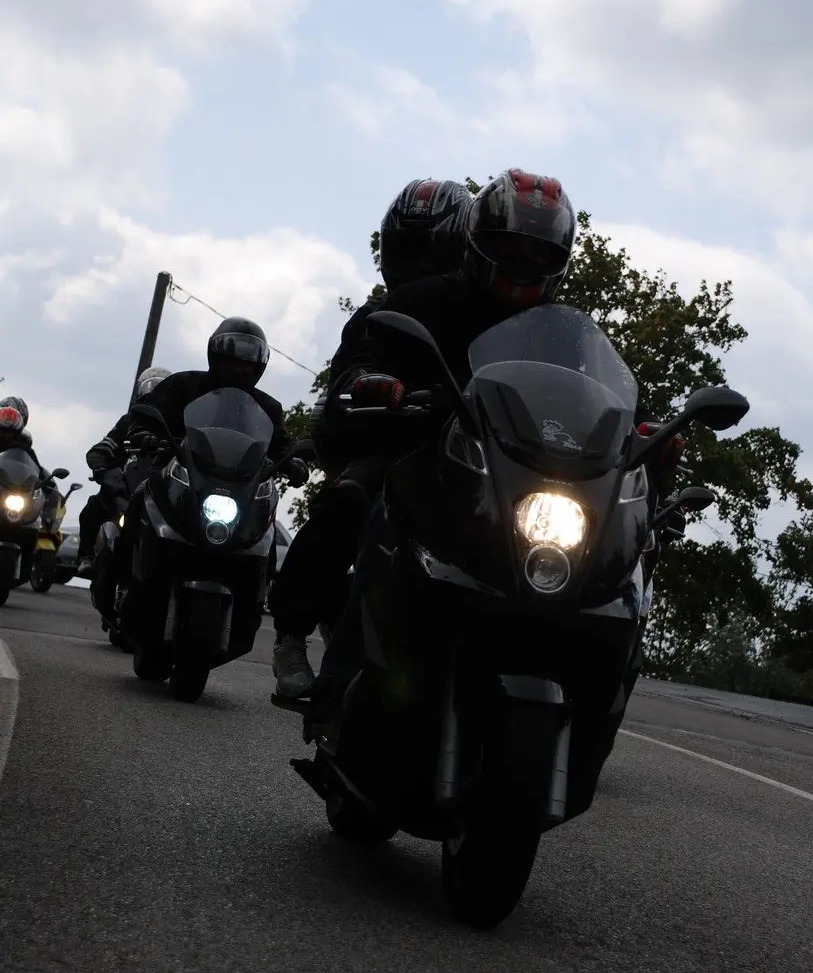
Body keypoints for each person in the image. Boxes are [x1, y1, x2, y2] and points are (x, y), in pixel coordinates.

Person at [305, 168, 685, 738]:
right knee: (384, 519)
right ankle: (335, 691)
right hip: (434, 462)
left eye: (539, 255)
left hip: (521, 476)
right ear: (478, 243)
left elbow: (610, 396)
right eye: (510, 249)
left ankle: (590, 711)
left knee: (612, 563)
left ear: (559, 261)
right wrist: (372, 382)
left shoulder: (569, 335)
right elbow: (368, 356)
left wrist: (648, 432)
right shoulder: (422, 300)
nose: (522, 265)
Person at [270, 178, 474, 698]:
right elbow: (349, 373)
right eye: (406, 249)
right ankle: (291, 634)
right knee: (346, 500)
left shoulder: (487, 312)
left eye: (429, 251)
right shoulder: (375, 318)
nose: (417, 264)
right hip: (400, 447)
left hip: (482, 456)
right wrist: (366, 383)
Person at [113, 319, 307, 586]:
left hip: (240, 486)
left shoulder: (268, 407)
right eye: (230, 361)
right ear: (215, 357)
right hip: (178, 470)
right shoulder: (182, 385)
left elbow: (282, 444)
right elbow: (148, 415)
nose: (237, 369)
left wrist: (294, 461)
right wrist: (144, 433)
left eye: (245, 364)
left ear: (258, 367)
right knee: (139, 498)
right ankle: (121, 580)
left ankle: (262, 591)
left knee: (266, 528)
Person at [75, 366, 172, 578]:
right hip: (127, 487)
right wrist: (101, 465)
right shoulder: (129, 421)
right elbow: (104, 446)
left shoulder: (176, 424)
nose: (155, 397)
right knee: (92, 508)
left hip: (162, 490)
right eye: (152, 390)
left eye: (161, 391)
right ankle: (86, 557)